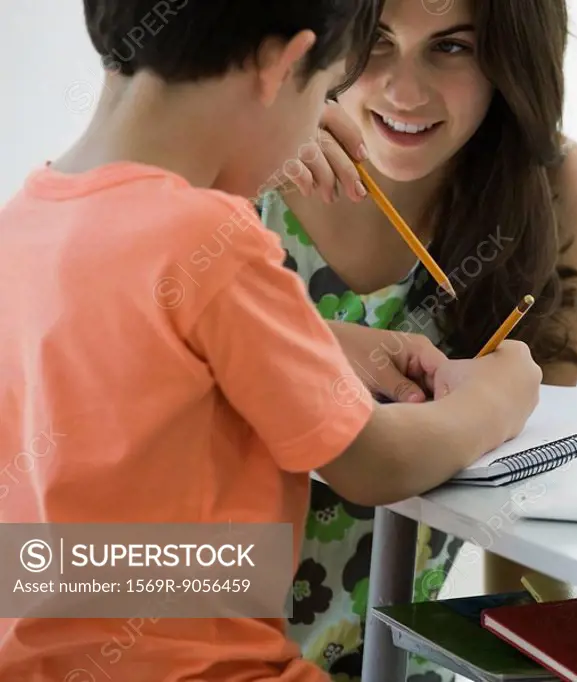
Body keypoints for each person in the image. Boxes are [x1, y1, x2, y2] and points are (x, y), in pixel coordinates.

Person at [0, 1, 543, 680]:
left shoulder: (24, 224)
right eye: (323, 94)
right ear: (282, 65)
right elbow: (375, 465)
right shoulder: (213, 239)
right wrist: (501, 394)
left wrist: (309, 338)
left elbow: (83, 532)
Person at [254, 0, 577, 679]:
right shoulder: (231, 164)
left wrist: (563, 659)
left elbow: (520, 508)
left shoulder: (556, 194)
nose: (405, 92)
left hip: (396, 662)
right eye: (375, 41)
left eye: (452, 48)